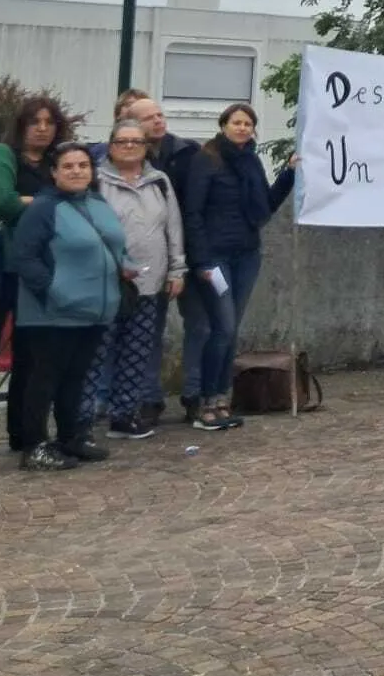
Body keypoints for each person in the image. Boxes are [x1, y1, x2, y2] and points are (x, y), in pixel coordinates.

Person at [0, 93, 71, 460]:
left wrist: (28, 201)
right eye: (34, 122)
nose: (41, 129)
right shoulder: (2, 155)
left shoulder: (57, 160)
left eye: (48, 123)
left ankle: (24, 434)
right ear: (21, 125)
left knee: (31, 356)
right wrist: (43, 203)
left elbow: (68, 200)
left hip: (37, 269)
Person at [10, 141, 126, 472]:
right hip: (53, 312)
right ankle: (34, 445)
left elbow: (115, 243)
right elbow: (24, 256)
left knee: (75, 377)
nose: (77, 171)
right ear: (54, 172)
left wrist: (125, 265)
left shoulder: (98, 202)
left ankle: (70, 437)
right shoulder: (43, 208)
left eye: (83, 166)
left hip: (95, 309)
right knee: (44, 379)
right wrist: (54, 290)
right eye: (68, 166)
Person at [179, 102, 295, 433]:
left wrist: (288, 174)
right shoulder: (207, 160)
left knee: (232, 330)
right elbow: (193, 213)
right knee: (223, 327)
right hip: (215, 259)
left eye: (248, 123)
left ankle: (220, 399)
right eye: (236, 122)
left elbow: (265, 206)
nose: (242, 128)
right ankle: (205, 400)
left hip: (247, 255)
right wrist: (200, 260)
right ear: (223, 125)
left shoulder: (251, 162)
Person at [89, 119, 187, 440]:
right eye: (122, 141)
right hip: (106, 282)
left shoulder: (159, 182)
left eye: (136, 142)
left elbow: (173, 228)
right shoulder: (95, 181)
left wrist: (176, 270)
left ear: (146, 147)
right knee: (98, 350)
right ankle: (84, 417)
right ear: (110, 145)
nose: (129, 147)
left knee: (137, 349)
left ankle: (124, 416)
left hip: (149, 281)